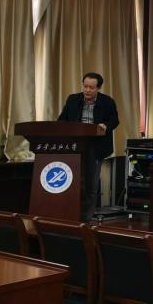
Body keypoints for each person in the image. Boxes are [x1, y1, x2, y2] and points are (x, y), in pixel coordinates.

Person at [58, 72, 119, 221]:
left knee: (91, 183)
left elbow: (114, 120)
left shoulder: (107, 102)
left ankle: (86, 218)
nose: (87, 90)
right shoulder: (73, 99)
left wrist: (105, 126)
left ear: (98, 88)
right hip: (75, 145)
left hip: (96, 146)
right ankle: (70, 215)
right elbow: (62, 119)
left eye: (91, 87)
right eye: (85, 86)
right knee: (73, 181)